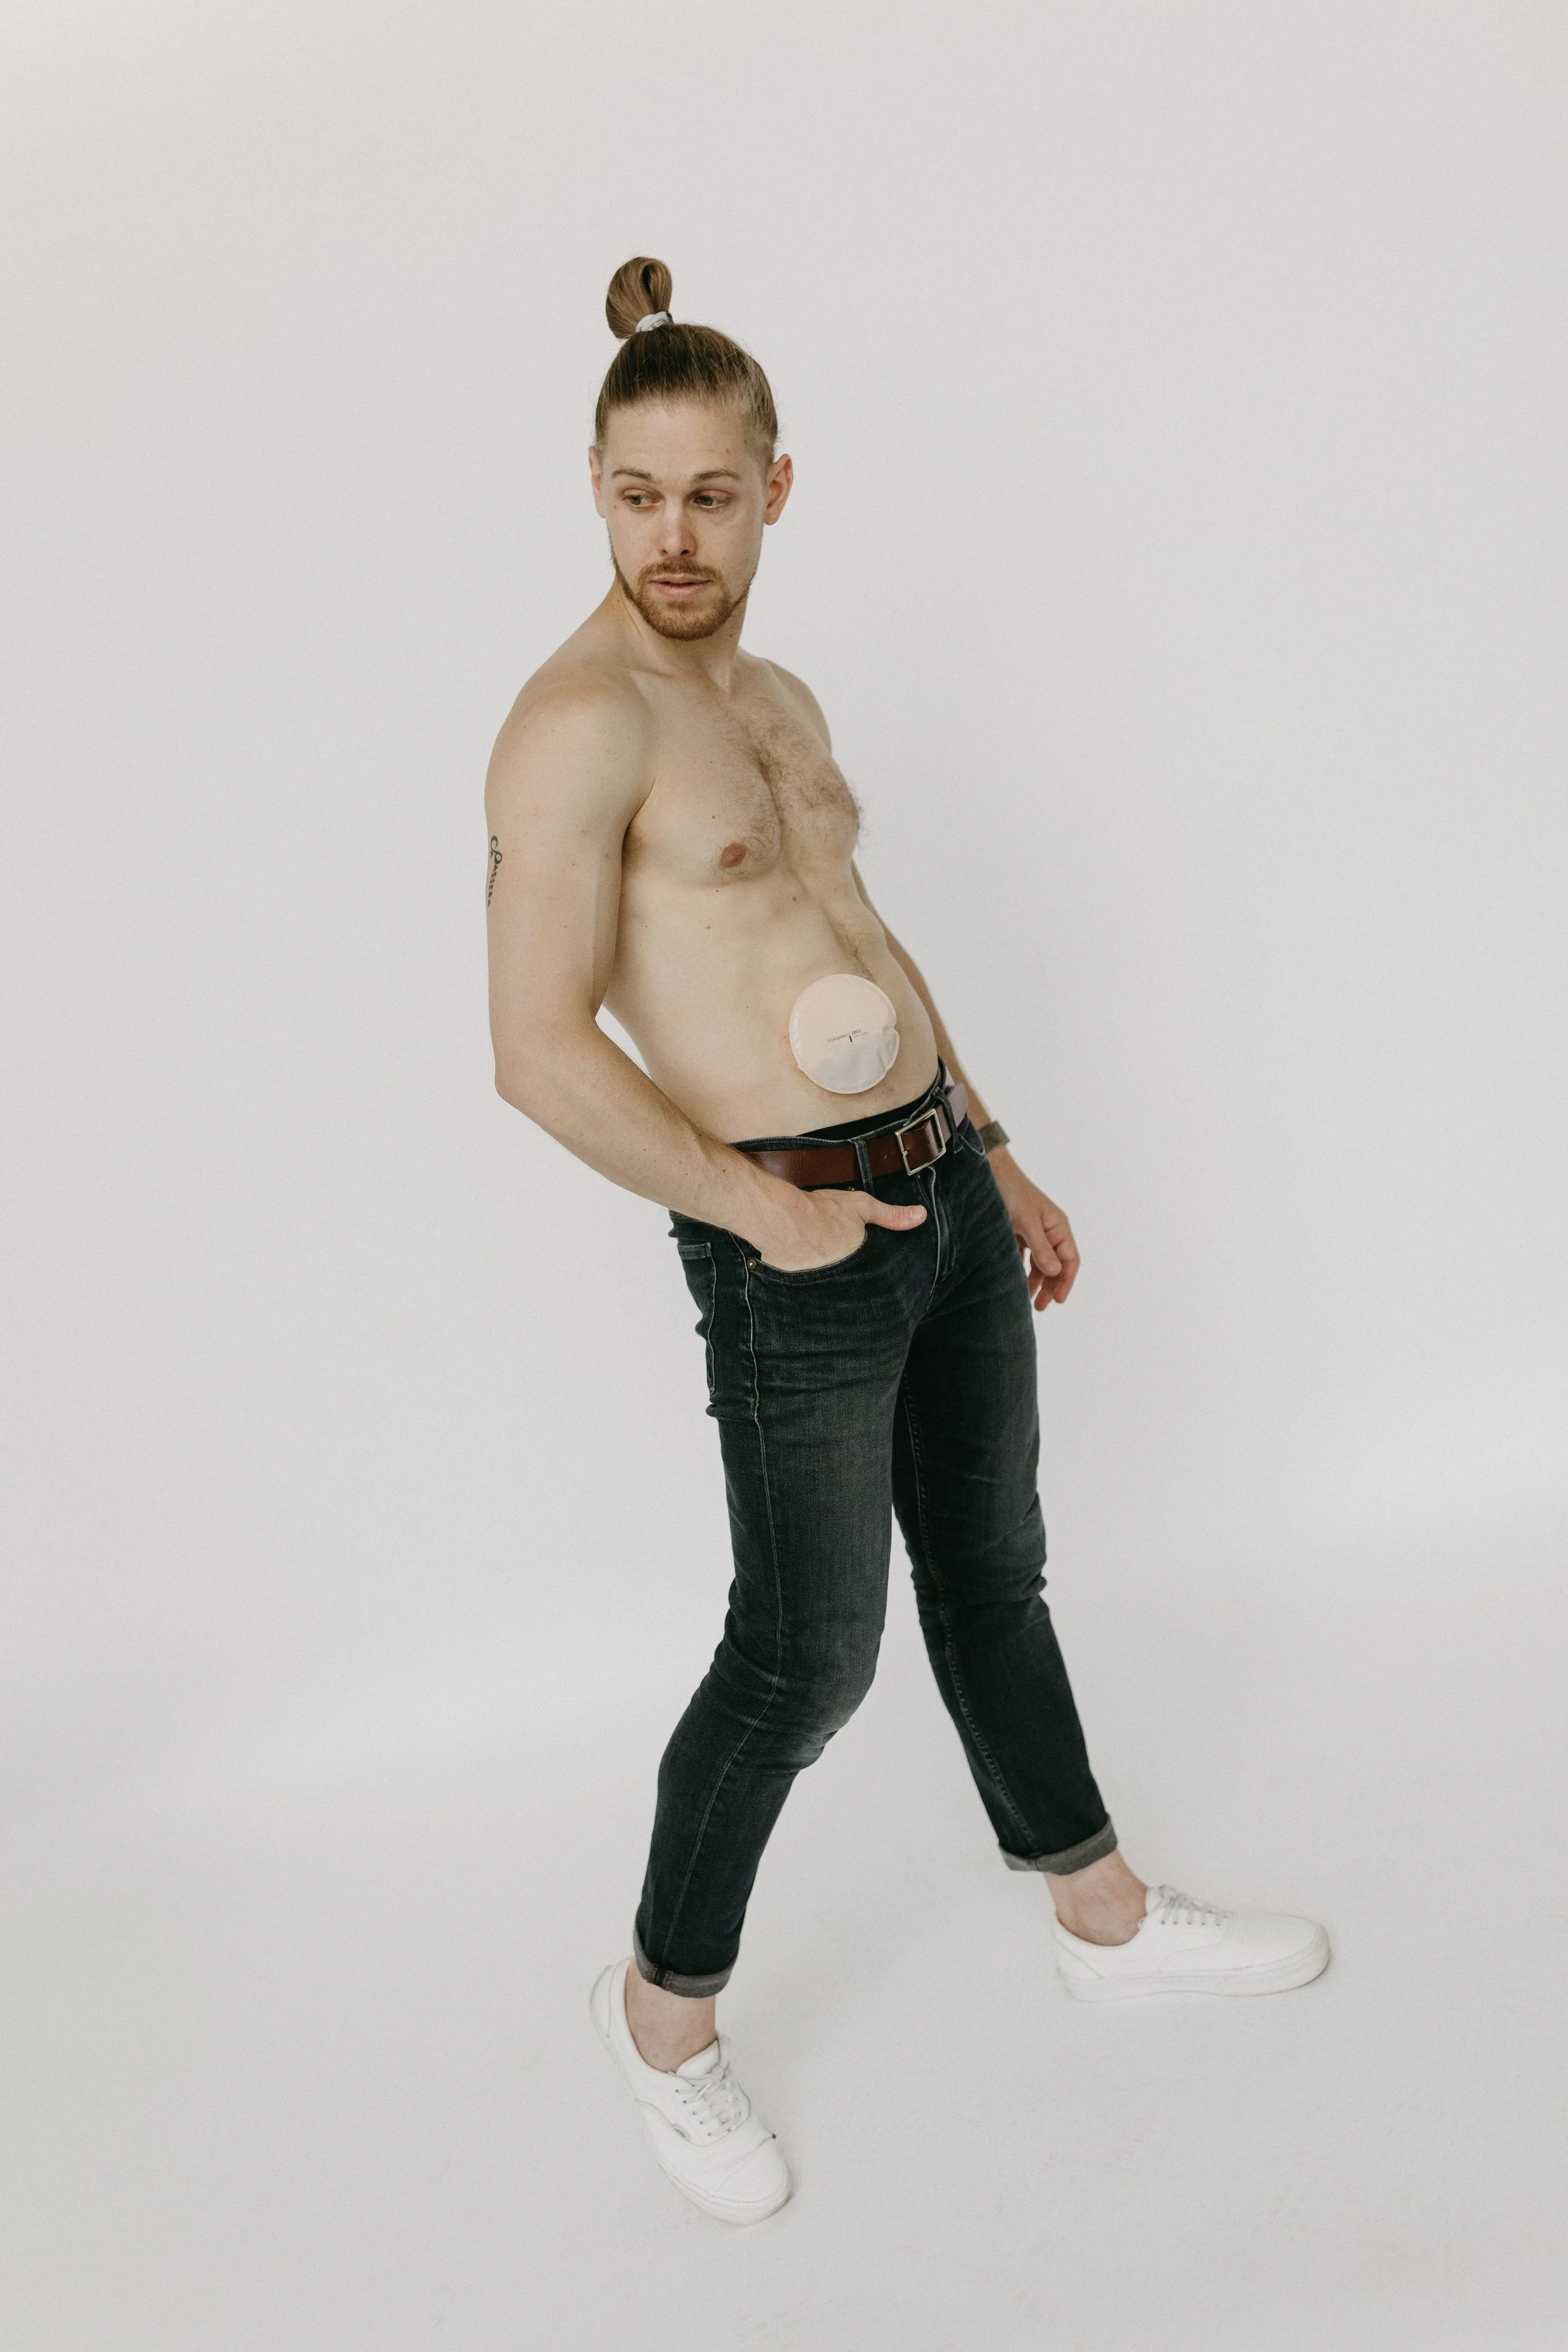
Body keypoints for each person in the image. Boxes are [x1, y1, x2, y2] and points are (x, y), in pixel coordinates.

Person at [484, 257, 1329, 2226]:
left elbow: (858, 939)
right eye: (634, 494)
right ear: (593, 488)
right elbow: (533, 1051)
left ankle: (1099, 1913)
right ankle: (660, 2017)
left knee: (993, 1573)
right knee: (804, 1656)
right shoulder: (574, 725)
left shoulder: (772, 700)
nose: (670, 536)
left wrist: (992, 1146)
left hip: (933, 1183)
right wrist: (760, 1210)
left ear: (776, 487)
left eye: (708, 492)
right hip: (787, 1228)